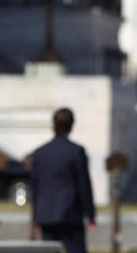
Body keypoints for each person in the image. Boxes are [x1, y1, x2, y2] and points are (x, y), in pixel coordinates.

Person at [31, 108, 96, 253]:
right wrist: (90, 214)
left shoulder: (40, 153)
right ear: (72, 125)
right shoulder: (76, 151)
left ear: (53, 124)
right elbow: (83, 185)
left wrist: (35, 217)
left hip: (46, 215)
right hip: (70, 215)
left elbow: (35, 187)